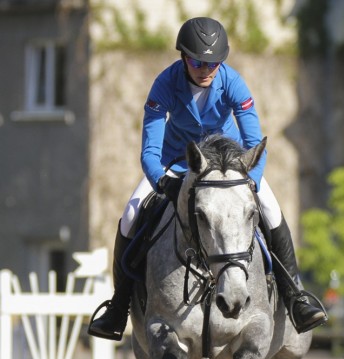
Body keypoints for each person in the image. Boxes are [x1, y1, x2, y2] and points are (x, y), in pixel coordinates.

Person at [88, 17, 327, 341]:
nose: (206, 69)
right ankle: (118, 308)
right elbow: (149, 152)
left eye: (213, 62)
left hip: (228, 166)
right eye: (198, 61)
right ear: (184, 58)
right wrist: (162, 182)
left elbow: (255, 144)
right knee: (131, 214)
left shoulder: (232, 83)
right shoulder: (165, 84)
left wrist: (251, 181)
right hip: (177, 162)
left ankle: (295, 296)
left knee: (270, 209)